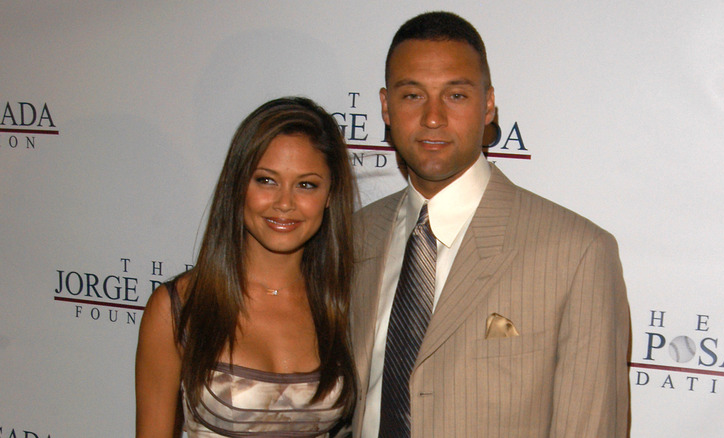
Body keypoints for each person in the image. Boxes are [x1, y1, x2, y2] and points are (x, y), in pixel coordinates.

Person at [350, 11, 630, 438]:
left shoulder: (577, 253)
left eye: (456, 96)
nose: (432, 117)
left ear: (488, 104)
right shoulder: (352, 236)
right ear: (386, 107)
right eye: (412, 96)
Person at [135, 97, 357, 438]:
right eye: (266, 180)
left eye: (306, 185)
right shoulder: (179, 308)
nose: (285, 203)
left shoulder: (347, 301)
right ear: (238, 185)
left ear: (330, 195)